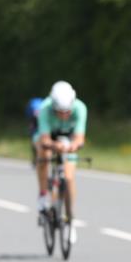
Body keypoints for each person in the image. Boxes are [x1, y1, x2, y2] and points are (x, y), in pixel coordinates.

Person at [33, 81, 87, 241]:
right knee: (44, 155)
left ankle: (71, 219)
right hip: (49, 137)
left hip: (68, 140)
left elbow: (79, 139)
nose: (64, 115)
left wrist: (71, 147)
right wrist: (52, 145)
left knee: (69, 177)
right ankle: (43, 195)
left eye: (67, 112)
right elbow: (44, 138)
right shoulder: (44, 108)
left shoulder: (80, 108)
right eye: (59, 112)